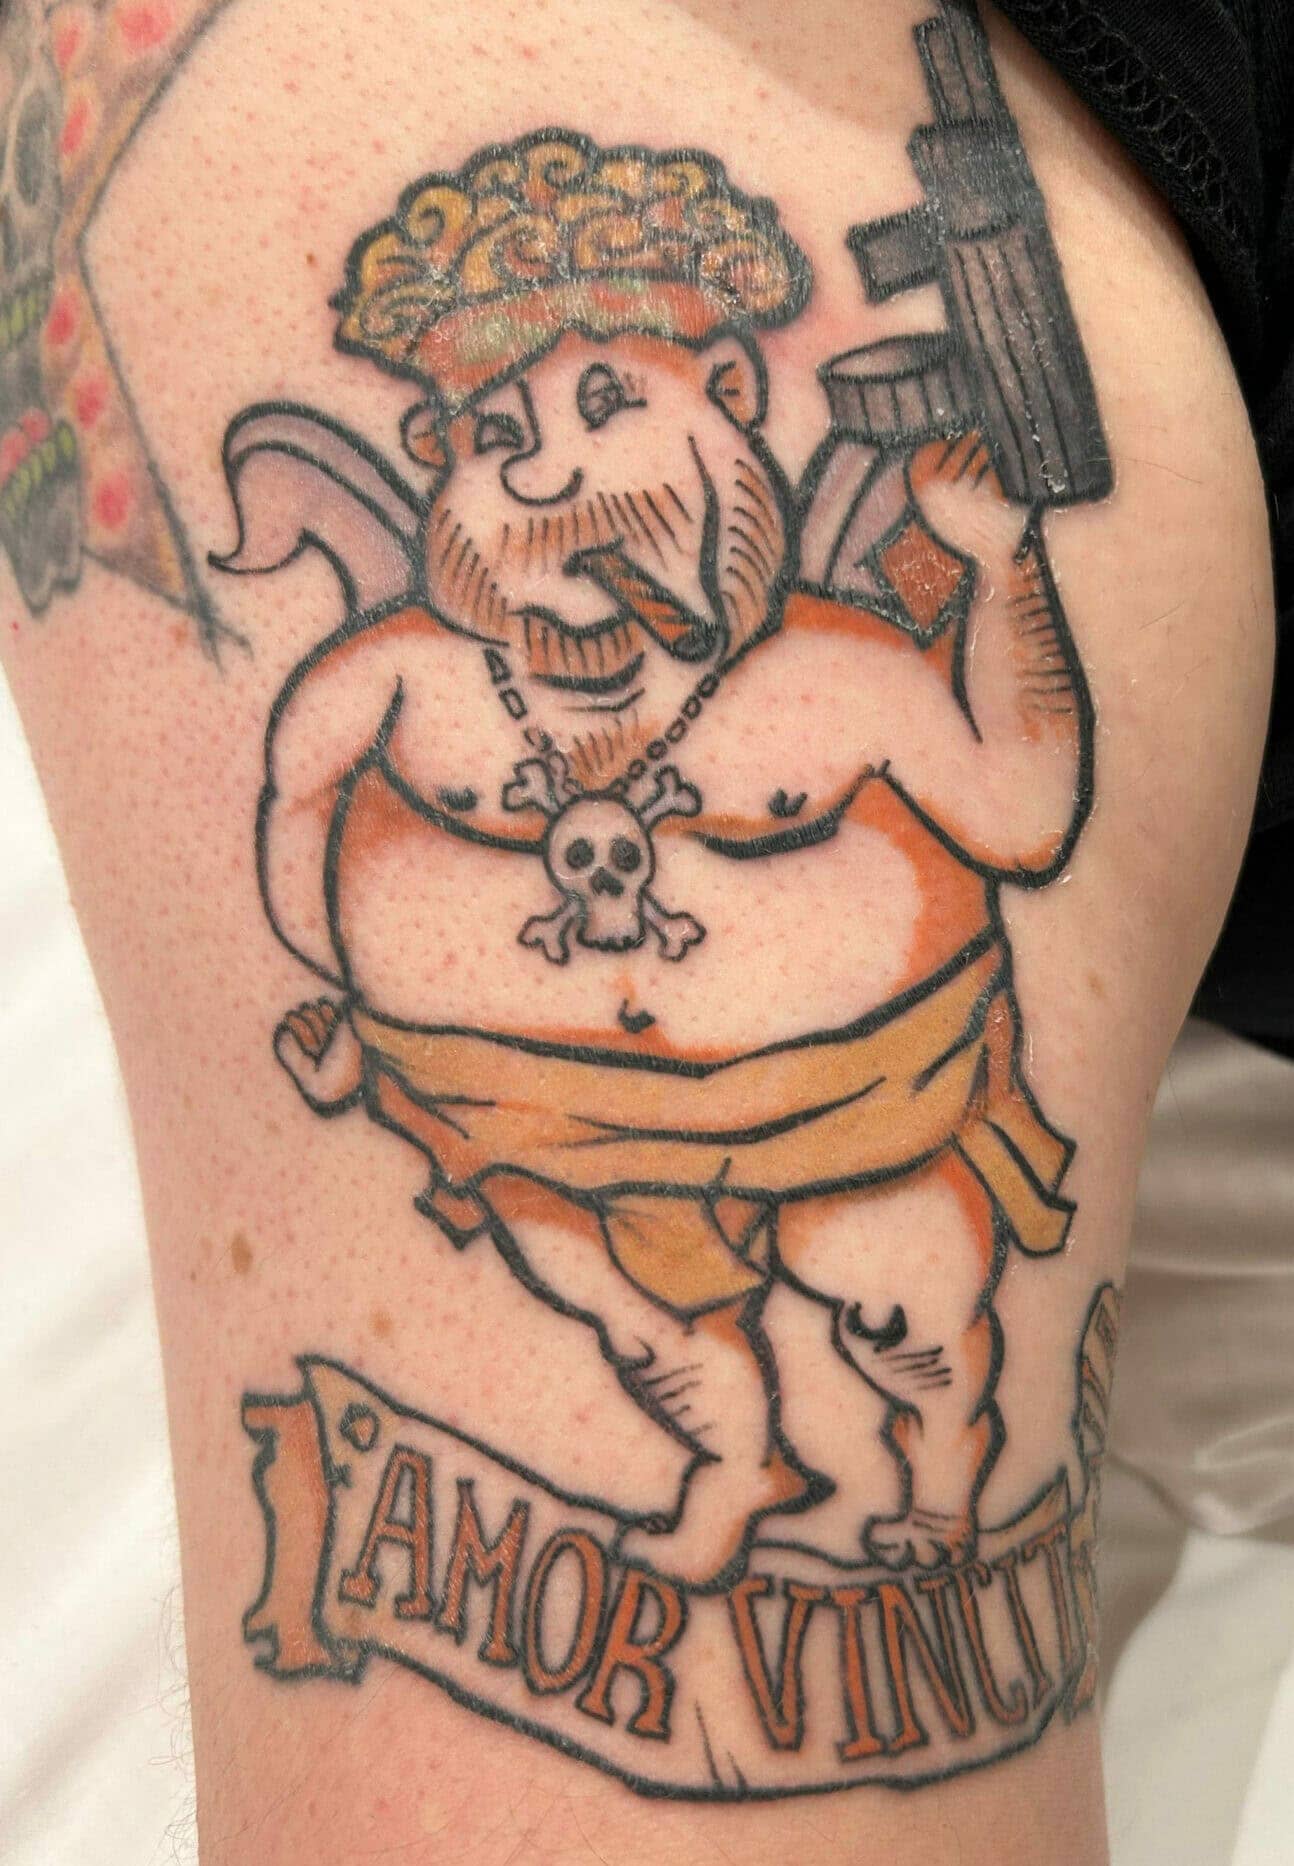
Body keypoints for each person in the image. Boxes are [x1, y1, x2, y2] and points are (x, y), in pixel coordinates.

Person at [0, 0, 1283, 1858]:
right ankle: (734, 1448)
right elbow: (288, 792)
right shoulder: (406, 682)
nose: (544, 471)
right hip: (541, 1129)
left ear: (732, 403)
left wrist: (1001, 568)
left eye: (609, 403)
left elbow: (1016, 809)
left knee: (910, 1318)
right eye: (496, 432)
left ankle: (933, 1475)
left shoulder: (824, 686)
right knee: (633, 1317)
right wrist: (326, 987)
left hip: (856, 1108)